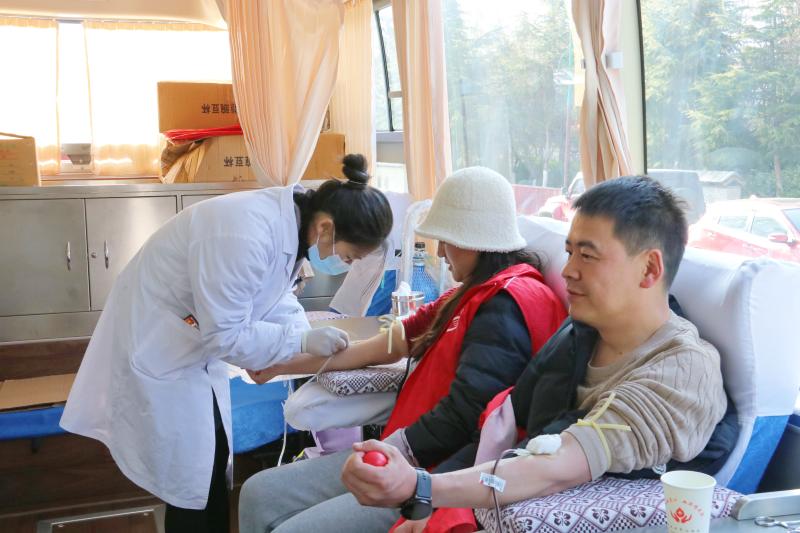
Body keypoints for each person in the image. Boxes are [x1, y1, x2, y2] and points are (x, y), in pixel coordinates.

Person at [341, 176, 737, 533]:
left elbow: (556, 466)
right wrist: (428, 496)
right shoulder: (578, 334)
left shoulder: (681, 372)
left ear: (649, 268)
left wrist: (424, 488)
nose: (568, 271)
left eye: (587, 255)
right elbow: (506, 427)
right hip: (481, 490)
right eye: (569, 253)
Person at [60, 154, 393, 533]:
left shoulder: (290, 228)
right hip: (161, 343)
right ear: (326, 228)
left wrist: (300, 333)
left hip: (192, 343)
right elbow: (226, 336)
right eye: (348, 256)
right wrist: (301, 339)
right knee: (191, 476)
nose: (344, 265)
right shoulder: (244, 232)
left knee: (210, 463)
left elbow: (273, 293)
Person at [238, 167, 567, 533]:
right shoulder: (465, 296)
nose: (440, 252)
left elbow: (465, 415)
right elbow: (383, 347)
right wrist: (280, 365)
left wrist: (398, 452)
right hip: (403, 453)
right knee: (259, 493)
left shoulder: (505, 307)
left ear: (472, 240)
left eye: (446, 240)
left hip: (437, 470)